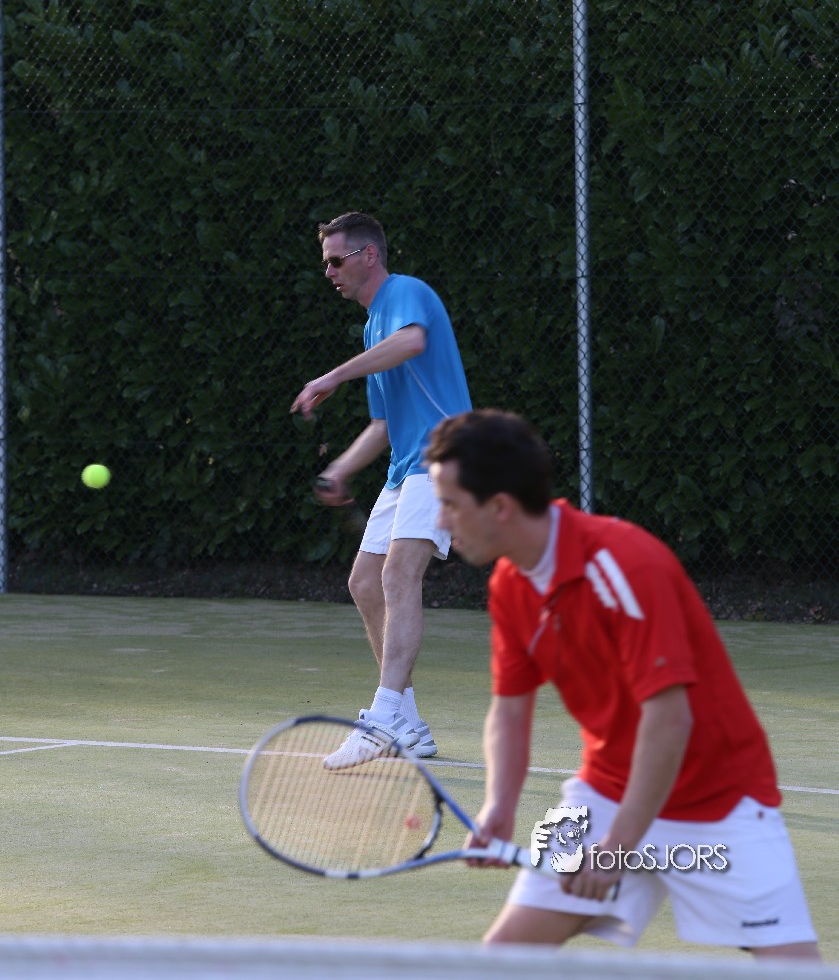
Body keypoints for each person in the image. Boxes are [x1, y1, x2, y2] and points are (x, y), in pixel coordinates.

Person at [426, 409, 821, 961]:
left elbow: (670, 718)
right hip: (608, 792)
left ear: (500, 507)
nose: (440, 519)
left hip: (721, 801)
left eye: (450, 504)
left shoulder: (626, 565)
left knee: (795, 972)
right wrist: (499, 806)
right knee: (504, 959)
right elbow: (510, 711)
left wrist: (614, 849)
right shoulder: (511, 585)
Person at [291, 211, 471, 769]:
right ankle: (407, 723)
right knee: (365, 582)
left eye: (335, 260)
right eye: (325, 262)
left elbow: (412, 341)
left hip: (445, 455)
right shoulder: (372, 330)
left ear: (368, 255)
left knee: (398, 574)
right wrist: (340, 470)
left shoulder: (405, 293)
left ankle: (384, 715)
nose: (329, 271)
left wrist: (333, 376)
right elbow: (383, 425)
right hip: (406, 467)